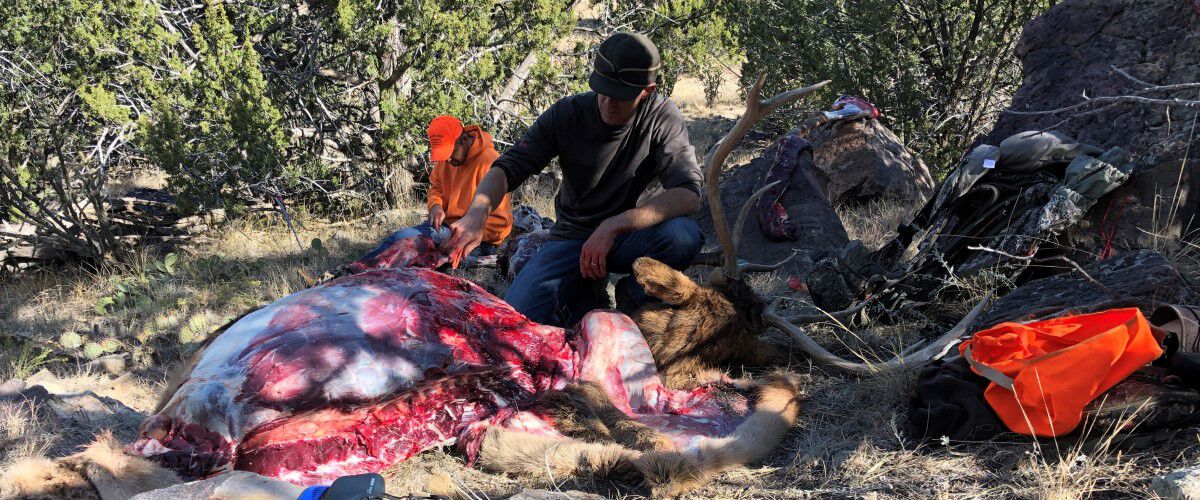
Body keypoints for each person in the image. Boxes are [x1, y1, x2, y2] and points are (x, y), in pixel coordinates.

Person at [443, 32, 704, 327]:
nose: (607, 101)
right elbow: (510, 166)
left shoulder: (662, 117)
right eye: (602, 89)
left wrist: (614, 225)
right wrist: (478, 211)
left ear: (647, 90)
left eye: (620, 95)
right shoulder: (568, 113)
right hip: (574, 237)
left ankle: (633, 300)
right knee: (516, 322)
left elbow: (688, 193)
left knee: (683, 236)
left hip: (631, 235)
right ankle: (585, 294)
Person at [361, 115, 513, 261]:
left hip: (479, 238)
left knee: (405, 239)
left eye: (451, 152)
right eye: (444, 154)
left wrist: (462, 235)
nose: (447, 159)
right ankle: (355, 271)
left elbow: (499, 223)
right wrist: (435, 205)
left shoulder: (490, 162)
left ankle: (358, 269)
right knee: (402, 242)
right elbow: (437, 187)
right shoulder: (448, 160)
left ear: (465, 140)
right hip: (447, 227)